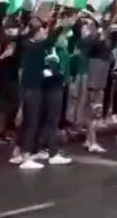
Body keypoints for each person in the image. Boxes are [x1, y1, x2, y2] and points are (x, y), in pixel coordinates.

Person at [14, 17, 73, 169]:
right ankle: (25, 157)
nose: (44, 33)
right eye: (41, 31)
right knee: (31, 123)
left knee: (32, 122)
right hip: (31, 88)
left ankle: (26, 153)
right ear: (36, 33)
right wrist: (59, 27)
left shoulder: (32, 45)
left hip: (34, 86)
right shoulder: (32, 46)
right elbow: (48, 42)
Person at [77, 20, 109, 154]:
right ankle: (93, 142)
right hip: (93, 73)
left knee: (92, 107)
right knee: (92, 108)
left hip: (97, 73)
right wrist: (97, 35)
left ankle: (89, 139)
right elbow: (89, 43)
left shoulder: (95, 40)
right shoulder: (90, 41)